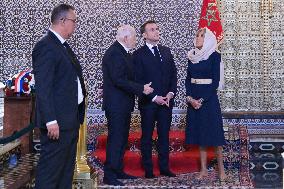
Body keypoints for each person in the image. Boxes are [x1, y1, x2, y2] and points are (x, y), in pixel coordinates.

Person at [32, 4, 86, 189]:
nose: (75, 25)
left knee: (65, 173)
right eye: (74, 21)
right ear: (62, 21)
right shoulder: (45, 46)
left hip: (69, 120)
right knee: (50, 174)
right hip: (57, 124)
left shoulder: (62, 46)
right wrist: (50, 121)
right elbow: (43, 87)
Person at [102, 24, 154, 186]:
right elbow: (118, 80)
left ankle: (117, 170)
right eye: (134, 37)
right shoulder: (115, 53)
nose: (135, 40)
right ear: (125, 38)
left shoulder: (122, 52)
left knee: (121, 139)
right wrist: (141, 89)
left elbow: (124, 77)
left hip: (123, 104)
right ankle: (109, 175)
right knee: (116, 139)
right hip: (117, 106)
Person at [133, 20, 177, 178]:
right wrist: (154, 97)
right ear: (144, 35)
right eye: (152, 30)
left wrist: (171, 93)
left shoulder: (166, 51)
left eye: (157, 29)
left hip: (166, 103)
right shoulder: (137, 55)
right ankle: (149, 170)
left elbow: (173, 74)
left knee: (164, 136)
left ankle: (164, 168)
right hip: (148, 104)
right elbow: (137, 81)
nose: (157, 31)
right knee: (146, 137)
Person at [185, 27, 226, 181]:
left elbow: (215, 82)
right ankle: (203, 170)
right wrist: (190, 98)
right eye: (197, 35)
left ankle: (221, 171)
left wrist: (201, 100)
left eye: (201, 36)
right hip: (193, 100)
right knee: (200, 135)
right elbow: (188, 80)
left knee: (215, 136)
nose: (197, 38)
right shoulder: (192, 56)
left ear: (208, 39)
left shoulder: (215, 56)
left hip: (208, 101)